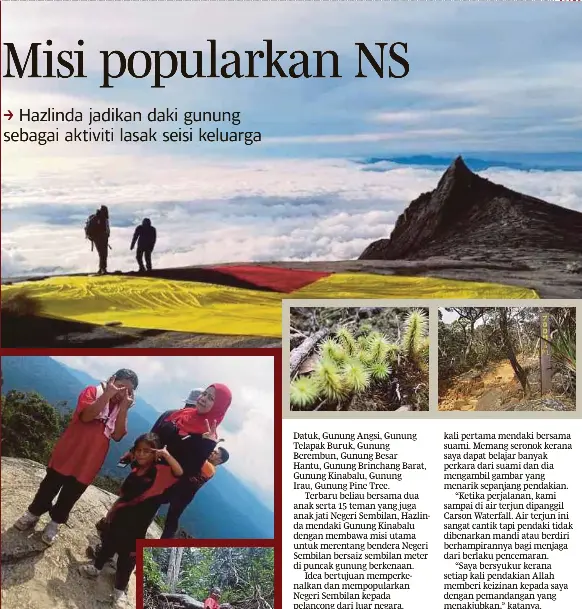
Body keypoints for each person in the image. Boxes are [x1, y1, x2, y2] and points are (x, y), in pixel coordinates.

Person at [14, 369, 138, 545]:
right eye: (120, 386)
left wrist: (124, 408)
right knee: (50, 485)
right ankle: (33, 514)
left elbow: (118, 435)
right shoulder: (93, 392)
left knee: (72, 493)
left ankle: (55, 523)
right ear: (112, 381)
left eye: (128, 391)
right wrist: (107, 395)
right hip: (70, 450)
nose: (122, 393)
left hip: (91, 460)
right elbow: (86, 416)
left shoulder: (120, 410)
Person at [79, 433, 183, 608]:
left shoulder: (160, 473)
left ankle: (119, 591)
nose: (141, 454)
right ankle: (96, 569)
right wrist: (112, 511)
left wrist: (166, 455)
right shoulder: (136, 469)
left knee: (127, 559)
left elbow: (178, 473)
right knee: (108, 544)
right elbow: (124, 496)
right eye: (139, 450)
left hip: (137, 526)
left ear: (155, 453)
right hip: (120, 518)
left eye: (147, 451)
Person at [161, 445, 229, 539]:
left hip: (182, 495)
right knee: (171, 518)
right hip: (182, 493)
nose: (212, 452)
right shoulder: (209, 467)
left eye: (215, 453)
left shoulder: (209, 468)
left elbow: (199, 455)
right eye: (213, 450)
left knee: (171, 519)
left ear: (220, 460)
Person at [85, 205, 110, 275]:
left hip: (99, 238)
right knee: (103, 254)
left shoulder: (97, 217)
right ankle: (103, 269)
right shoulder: (101, 218)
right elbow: (105, 229)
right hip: (100, 238)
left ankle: (101, 268)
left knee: (102, 254)